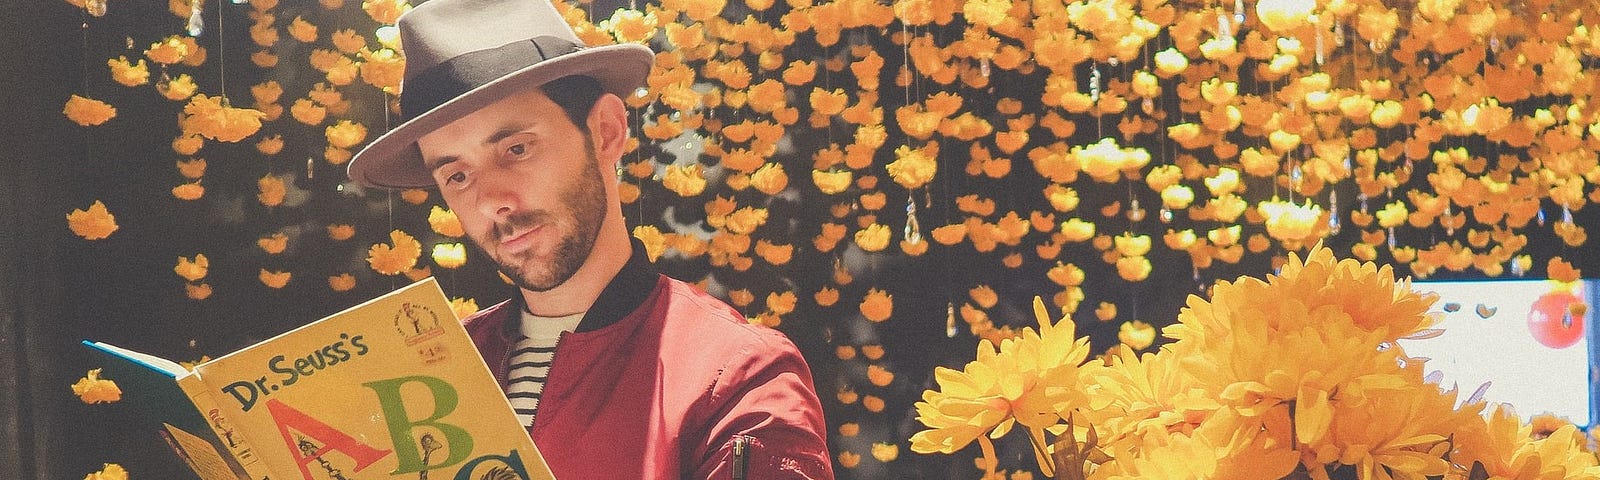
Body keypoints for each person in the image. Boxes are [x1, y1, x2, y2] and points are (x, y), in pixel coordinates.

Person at [346, 0, 835, 478]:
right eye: (456, 176)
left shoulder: (736, 376)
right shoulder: (433, 369)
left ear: (606, 131)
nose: (492, 199)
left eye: (516, 148)